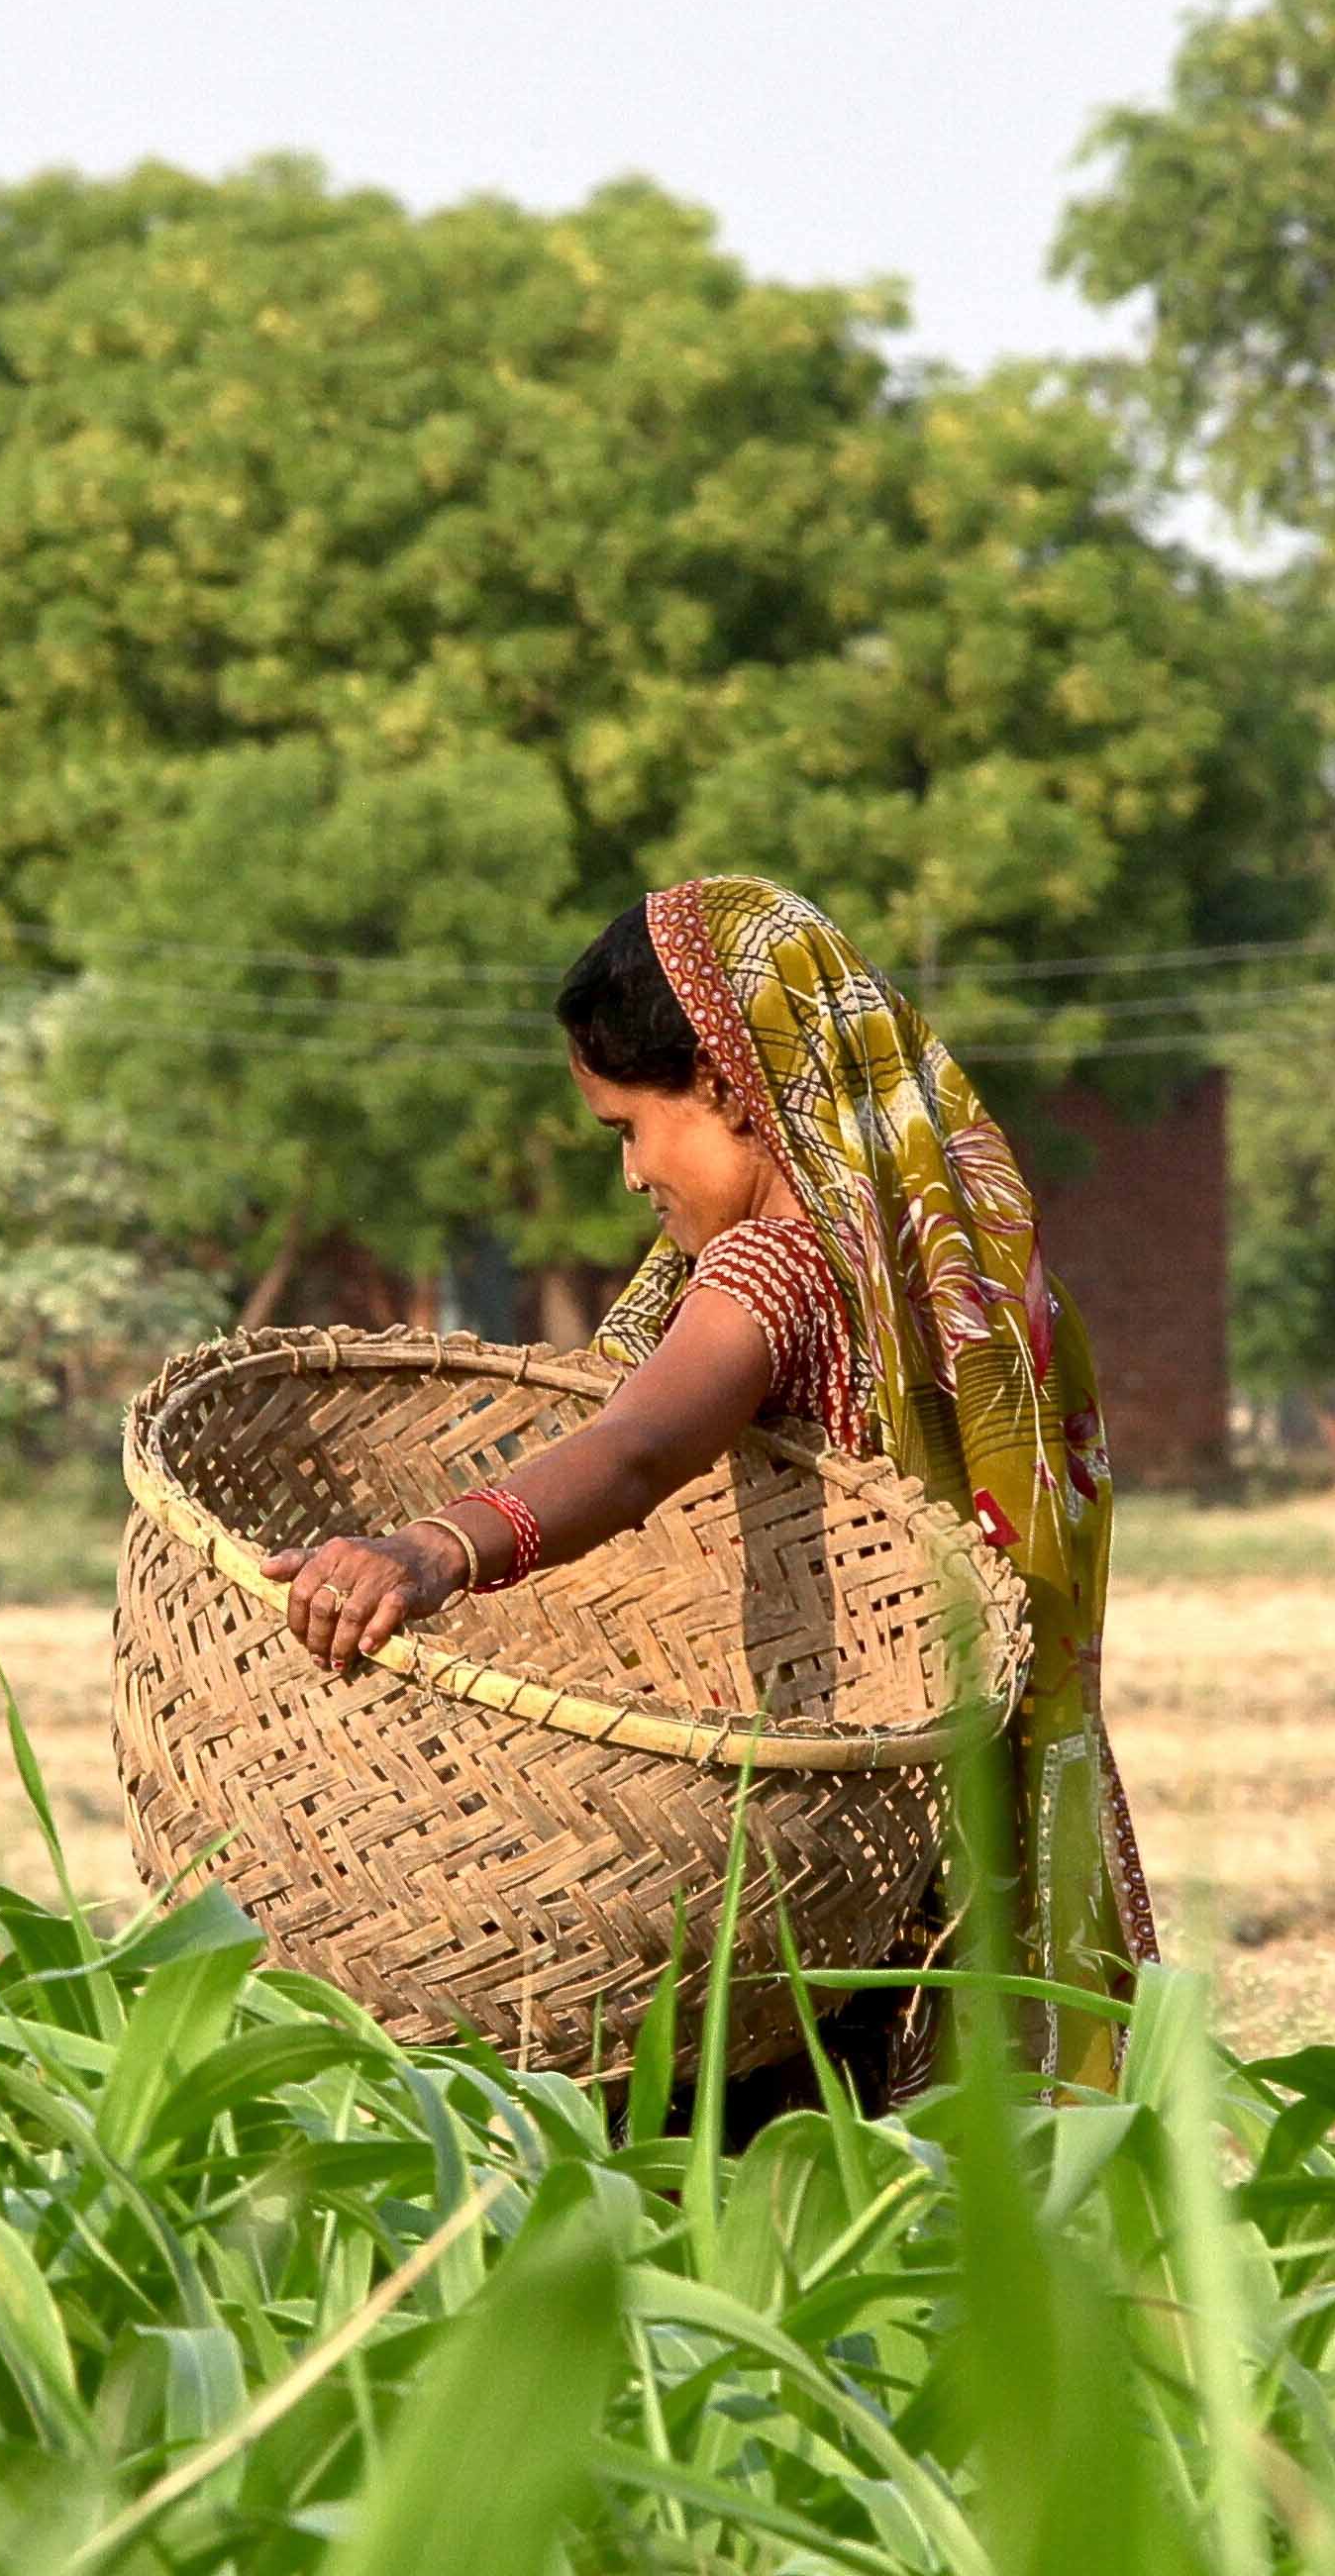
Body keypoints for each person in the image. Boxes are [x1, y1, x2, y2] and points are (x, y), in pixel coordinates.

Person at [265, 878, 1157, 2083]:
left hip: (808, 1883)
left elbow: (637, 1446)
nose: (631, 1174)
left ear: (732, 1087)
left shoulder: (778, 1265)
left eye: (627, 1126)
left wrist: (432, 1552)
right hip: (937, 1843)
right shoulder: (943, 1260)